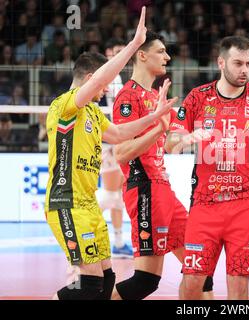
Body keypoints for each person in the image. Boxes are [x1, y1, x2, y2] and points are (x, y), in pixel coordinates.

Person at [44, 7, 176, 300]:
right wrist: (133, 45)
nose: (106, 90)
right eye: (102, 84)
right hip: (67, 203)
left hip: (89, 205)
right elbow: (98, 83)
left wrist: (157, 118)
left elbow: (119, 134)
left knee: (107, 281)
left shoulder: (93, 111)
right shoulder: (65, 105)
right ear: (92, 78)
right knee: (88, 285)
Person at [165, 36, 249, 300]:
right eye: (238, 63)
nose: (244, 70)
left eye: (248, 64)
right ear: (221, 63)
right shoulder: (198, 97)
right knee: (193, 281)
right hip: (205, 204)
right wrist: (184, 139)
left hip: (246, 206)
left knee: (238, 285)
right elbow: (170, 144)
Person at [109, 31, 213, 300]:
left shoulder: (155, 94)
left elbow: (165, 145)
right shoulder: (127, 97)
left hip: (163, 189)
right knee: (145, 282)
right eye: (161, 51)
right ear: (142, 55)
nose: (167, 57)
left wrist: (187, 138)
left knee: (200, 270)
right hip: (144, 190)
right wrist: (158, 130)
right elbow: (121, 153)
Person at [97, 38, 133, 258]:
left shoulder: (117, 77)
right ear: (109, 51)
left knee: (117, 194)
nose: (123, 55)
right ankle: (77, 223)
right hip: (107, 142)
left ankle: (118, 242)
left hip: (115, 141)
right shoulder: (108, 76)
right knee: (111, 195)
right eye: (118, 51)